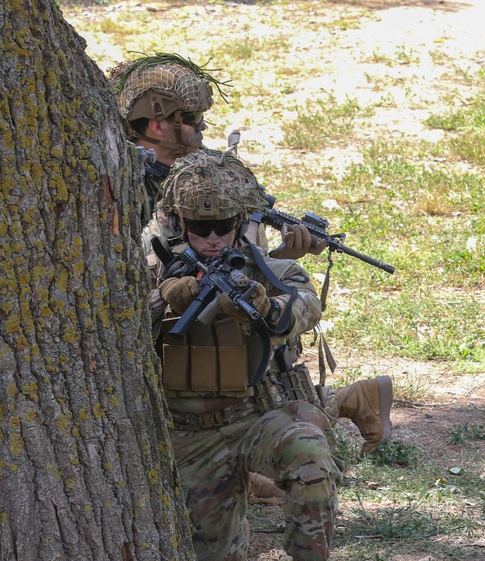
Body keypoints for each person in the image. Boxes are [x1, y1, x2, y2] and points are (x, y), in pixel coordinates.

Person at [110, 53, 395, 460]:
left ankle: (328, 407)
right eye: (192, 119)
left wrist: (278, 257)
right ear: (158, 124)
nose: (203, 126)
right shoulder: (123, 177)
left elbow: (242, 255)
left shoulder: (212, 173)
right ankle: (346, 400)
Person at [150, 150, 342, 561]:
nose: (213, 238)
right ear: (177, 221)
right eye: (200, 226)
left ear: (242, 221)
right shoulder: (149, 265)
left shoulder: (269, 269)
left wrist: (264, 305)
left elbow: (304, 309)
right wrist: (159, 299)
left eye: (224, 226)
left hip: (256, 418)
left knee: (310, 458)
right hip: (188, 435)